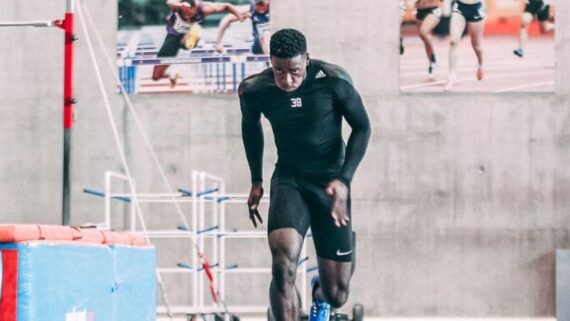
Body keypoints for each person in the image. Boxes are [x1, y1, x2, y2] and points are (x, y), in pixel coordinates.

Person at [239, 29, 371, 321]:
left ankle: (320, 297)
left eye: (295, 71)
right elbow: (250, 127)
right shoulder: (254, 89)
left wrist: (344, 181)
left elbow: (362, 128)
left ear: (307, 61)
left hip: (331, 184)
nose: (287, 80)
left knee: (337, 293)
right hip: (290, 179)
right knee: (282, 262)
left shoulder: (334, 81)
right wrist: (256, 180)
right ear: (270, 63)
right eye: (279, 70)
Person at [152, 0, 248, 87]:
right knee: (156, 76)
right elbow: (169, 2)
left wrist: (238, 14)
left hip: (190, 35)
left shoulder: (205, 9)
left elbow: (226, 6)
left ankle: (192, 35)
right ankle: (172, 74)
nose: (187, 17)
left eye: (190, 14)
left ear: (195, 9)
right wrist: (181, 5)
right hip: (173, 37)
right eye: (185, 14)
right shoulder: (177, 7)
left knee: (192, 33)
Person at [445, 0, 485, 91]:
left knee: (476, 45)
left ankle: (480, 64)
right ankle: (451, 76)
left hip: (476, 8)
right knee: (453, 40)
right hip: (460, 7)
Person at [414, 0, 443, 79]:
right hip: (419, 10)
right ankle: (432, 63)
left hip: (433, 10)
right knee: (423, 36)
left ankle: (433, 58)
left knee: (423, 32)